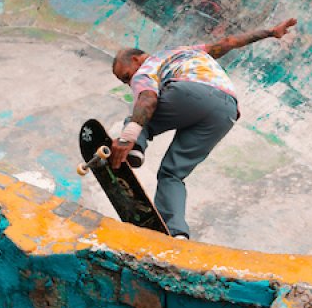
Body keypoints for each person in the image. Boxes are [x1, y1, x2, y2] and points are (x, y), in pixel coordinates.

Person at [109, 18, 298, 239]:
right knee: (172, 174)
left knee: (137, 116)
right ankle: (176, 233)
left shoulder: (147, 67)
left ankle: (133, 149)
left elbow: (148, 99)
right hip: (226, 111)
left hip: (189, 94)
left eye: (126, 76)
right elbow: (230, 42)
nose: (128, 82)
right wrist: (270, 32)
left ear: (136, 59)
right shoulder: (188, 52)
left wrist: (127, 138)